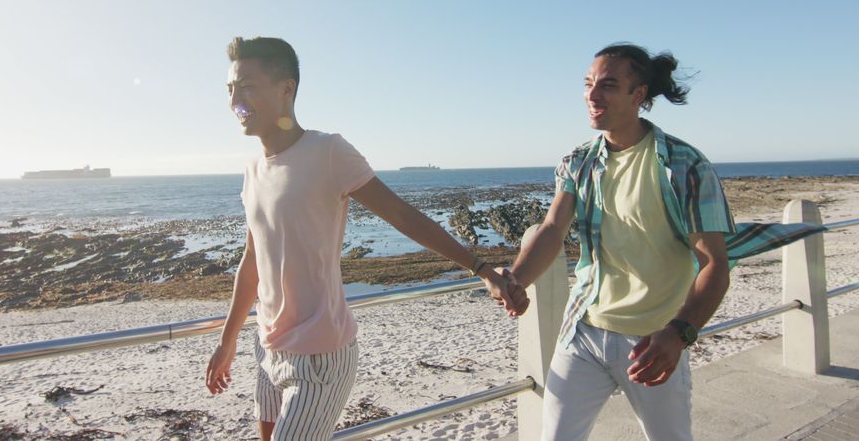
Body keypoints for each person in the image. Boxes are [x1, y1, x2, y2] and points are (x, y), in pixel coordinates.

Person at [205, 36, 526, 441]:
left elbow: (401, 215)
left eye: (247, 86)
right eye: (230, 89)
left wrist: (479, 268)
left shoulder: (329, 152)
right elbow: (252, 263)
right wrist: (227, 341)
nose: (235, 100)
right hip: (267, 348)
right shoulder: (252, 170)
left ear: (286, 88)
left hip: (320, 355)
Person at [506, 43, 733, 440]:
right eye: (589, 83)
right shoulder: (579, 162)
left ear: (638, 94)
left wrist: (680, 333)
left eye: (608, 85)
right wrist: (517, 280)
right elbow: (551, 229)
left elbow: (714, 263)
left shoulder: (686, 165)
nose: (593, 95)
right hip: (584, 333)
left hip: (654, 339)